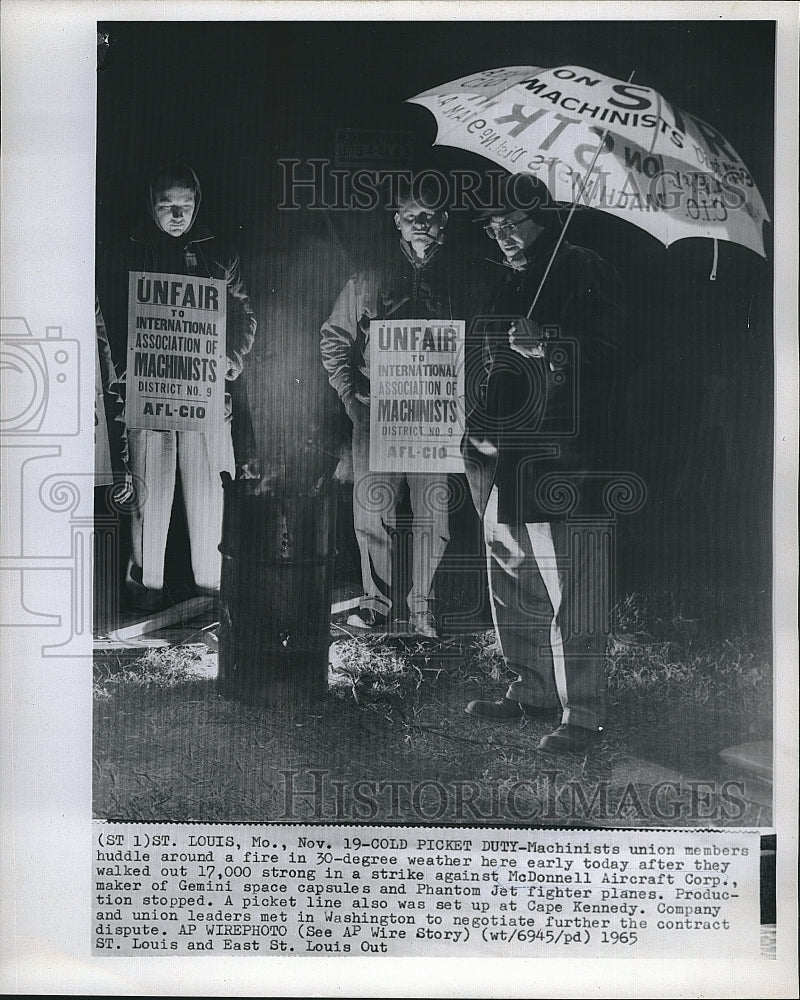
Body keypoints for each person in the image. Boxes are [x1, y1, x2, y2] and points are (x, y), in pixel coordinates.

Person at [463, 174, 627, 754]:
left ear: (546, 219)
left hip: (564, 457)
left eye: (515, 222)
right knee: (511, 574)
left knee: (571, 586)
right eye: (495, 225)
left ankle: (582, 714)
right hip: (503, 453)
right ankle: (530, 689)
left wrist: (551, 346)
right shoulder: (512, 280)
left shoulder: (583, 267)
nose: (504, 234)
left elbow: (612, 353)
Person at [98, 162, 258, 610]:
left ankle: (212, 592)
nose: (176, 214)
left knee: (210, 494)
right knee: (148, 494)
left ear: (197, 204)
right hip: (147, 394)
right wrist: (121, 368)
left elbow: (245, 311)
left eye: (184, 205)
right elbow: (105, 318)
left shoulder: (218, 252)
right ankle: (146, 592)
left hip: (203, 394)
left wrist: (234, 355)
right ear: (151, 204)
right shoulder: (127, 251)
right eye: (166, 205)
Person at [319, 176, 459, 638]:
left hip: (435, 418)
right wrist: (349, 399)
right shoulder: (368, 277)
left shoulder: (464, 279)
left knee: (432, 515)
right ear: (396, 221)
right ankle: (376, 605)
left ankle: (422, 609)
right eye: (412, 215)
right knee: (372, 512)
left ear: (445, 222)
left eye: (432, 215)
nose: (422, 224)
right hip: (377, 414)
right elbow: (334, 340)